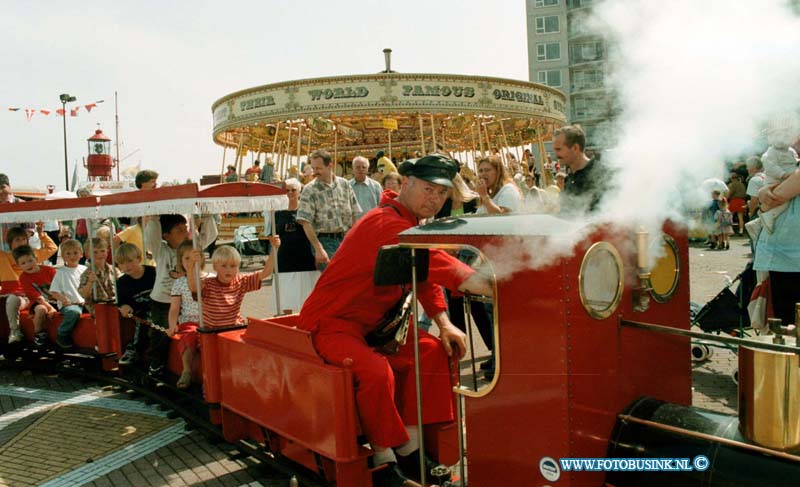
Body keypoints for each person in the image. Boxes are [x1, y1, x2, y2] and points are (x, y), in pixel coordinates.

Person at [298, 154, 493, 486]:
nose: (435, 199)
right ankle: (385, 459)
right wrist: (490, 285)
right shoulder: (388, 223)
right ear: (406, 184)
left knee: (431, 351)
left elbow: (422, 276)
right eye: (428, 189)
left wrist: (444, 323)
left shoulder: (410, 224)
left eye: (442, 193)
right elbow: (436, 264)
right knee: (376, 372)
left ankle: (413, 450)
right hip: (334, 323)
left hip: (374, 326)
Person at [144, 213, 217, 377]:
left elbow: (210, 236)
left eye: (186, 229)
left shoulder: (191, 247)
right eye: (179, 231)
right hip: (163, 301)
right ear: (166, 235)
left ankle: (189, 366)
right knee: (162, 334)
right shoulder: (160, 250)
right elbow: (151, 237)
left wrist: (207, 217)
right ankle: (156, 365)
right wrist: (155, 218)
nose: (185, 233)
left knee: (191, 332)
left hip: (187, 302)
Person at [186, 236, 280, 328]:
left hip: (234, 328)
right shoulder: (207, 284)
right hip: (212, 332)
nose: (228, 270)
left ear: (238, 267)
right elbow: (193, 287)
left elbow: (266, 272)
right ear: (215, 267)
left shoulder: (241, 281)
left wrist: (274, 249)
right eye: (224, 266)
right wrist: (191, 266)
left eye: (233, 266)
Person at [296, 149, 361, 271]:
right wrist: (318, 249)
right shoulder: (309, 190)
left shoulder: (345, 185)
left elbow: (354, 213)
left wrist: (354, 239)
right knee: (335, 281)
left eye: (318, 168)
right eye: (313, 168)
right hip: (325, 242)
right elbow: (305, 222)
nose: (315, 172)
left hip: (346, 240)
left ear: (330, 165)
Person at [264, 178, 320, 315]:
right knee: (284, 300)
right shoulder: (275, 213)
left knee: (307, 300)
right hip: (284, 261)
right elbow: (271, 234)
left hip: (306, 260)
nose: (290, 193)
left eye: (293, 190)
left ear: (299, 192)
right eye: (287, 190)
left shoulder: (307, 210)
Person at [753, 168, 800, 327]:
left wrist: (764, 193)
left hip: (789, 258)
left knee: (787, 326)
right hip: (787, 258)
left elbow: (773, 198)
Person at [1, 224, 57, 343]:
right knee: (9, 299)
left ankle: (15, 332)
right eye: (17, 240)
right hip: (9, 294)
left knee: (12, 300)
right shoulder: (3, 257)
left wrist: (42, 235)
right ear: (10, 242)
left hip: (27, 296)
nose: (21, 242)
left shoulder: (31, 254)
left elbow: (52, 248)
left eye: (24, 239)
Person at [167, 240, 203, 389]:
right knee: (191, 336)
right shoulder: (180, 283)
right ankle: (187, 370)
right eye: (186, 258)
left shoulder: (210, 278)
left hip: (210, 320)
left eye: (194, 257)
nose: (190, 262)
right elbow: (175, 308)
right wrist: (172, 325)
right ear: (181, 261)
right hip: (190, 321)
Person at [553, 124, 610, 214]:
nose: (556, 155)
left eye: (559, 149)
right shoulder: (568, 180)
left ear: (575, 148)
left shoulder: (601, 173)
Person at [116, 243, 157, 367]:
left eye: (130, 261)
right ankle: (134, 349)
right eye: (122, 263)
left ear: (139, 259)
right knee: (143, 320)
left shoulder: (153, 273)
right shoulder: (122, 283)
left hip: (158, 308)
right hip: (139, 313)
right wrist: (124, 306)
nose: (126, 266)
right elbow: (121, 302)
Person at [14, 245, 58, 348]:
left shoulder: (49, 270)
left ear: (36, 259)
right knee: (40, 310)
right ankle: (39, 334)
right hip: (37, 301)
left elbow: (59, 287)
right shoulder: (24, 277)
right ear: (18, 265)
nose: (28, 265)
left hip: (55, 299)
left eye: (30, 260)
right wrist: (50, 308)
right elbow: (37, 297)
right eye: (23, 263)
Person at [48, 239, 87, 349]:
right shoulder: (60, 272)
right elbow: (54, 291)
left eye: (75, 253)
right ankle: (62, 334)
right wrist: (64, 299)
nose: (72, 256)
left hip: (85, 302)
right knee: (73, 312)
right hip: (69, 304)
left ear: (81, 254)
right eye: (68, 253)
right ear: (63, 257)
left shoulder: (85, 269)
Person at [78, 238, 119, 315]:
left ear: (107, 252)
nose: (99, 254)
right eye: (95, 252)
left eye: (102, 251)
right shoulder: (87, 274)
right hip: (98, 308)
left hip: (114, 304)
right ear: (88, 255)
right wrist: (90, 282)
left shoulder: (114, 270)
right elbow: (83, 294)